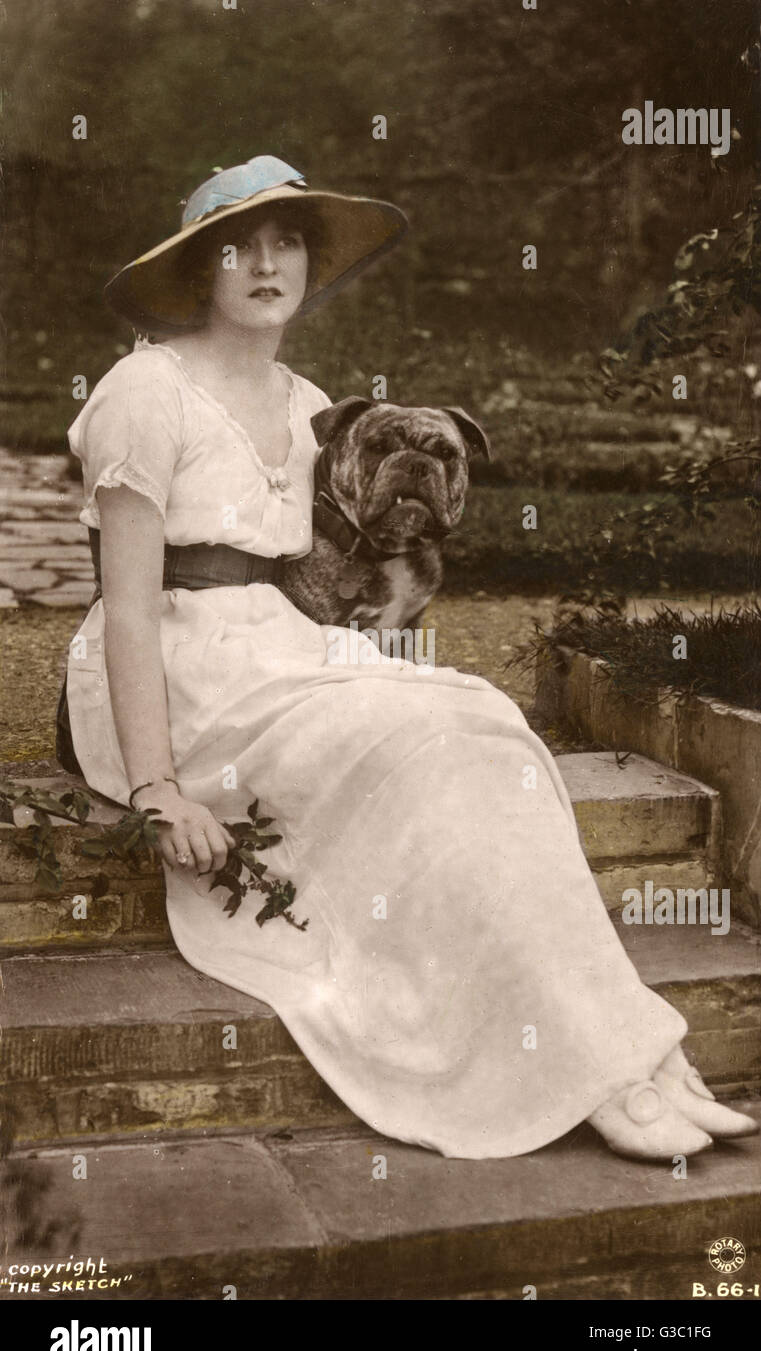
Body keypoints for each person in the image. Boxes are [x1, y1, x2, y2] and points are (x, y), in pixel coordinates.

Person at [63, 155, 756, 1162]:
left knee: (482, 719)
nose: (264, 264)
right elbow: (127, 610)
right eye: (236, 246)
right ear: (199, 269)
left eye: (286, 242)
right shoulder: (144, 388)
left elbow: (363, 558)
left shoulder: (316, 404)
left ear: (309, 263)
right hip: (178, 670)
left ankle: (623, 1041)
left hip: (290, 649)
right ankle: (579, 1065)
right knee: (414, 735)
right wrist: (158, 785)